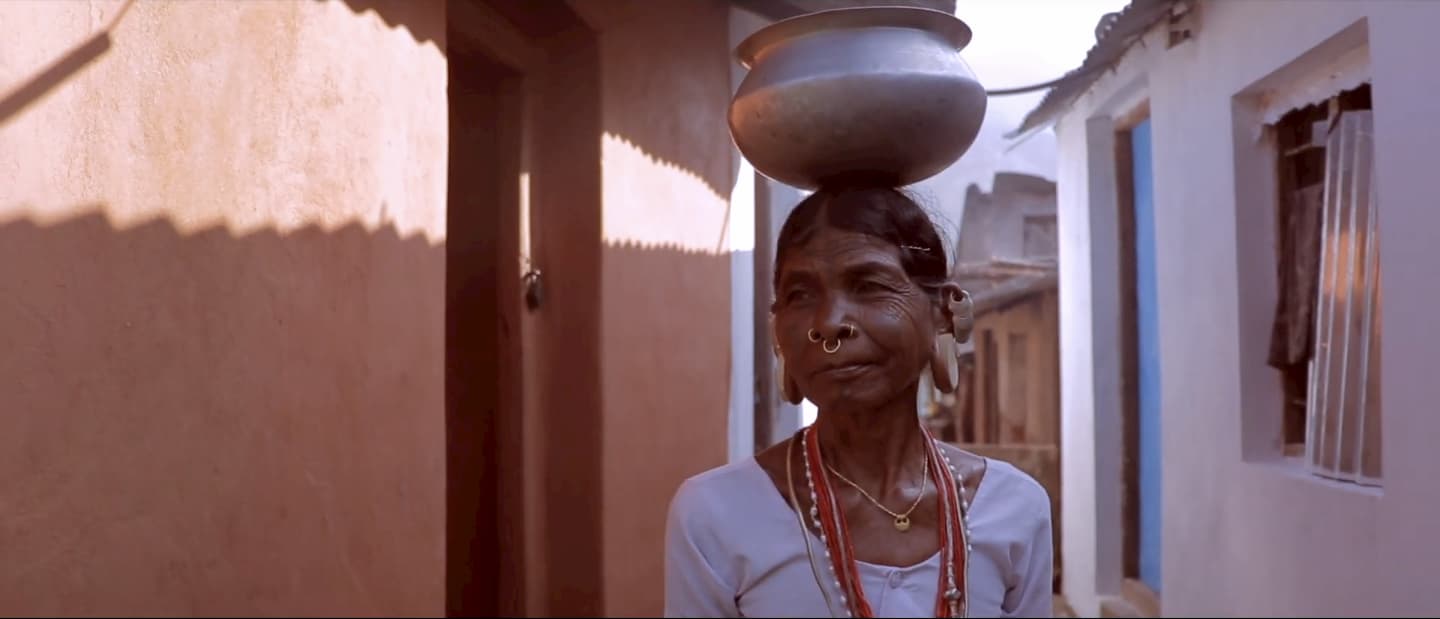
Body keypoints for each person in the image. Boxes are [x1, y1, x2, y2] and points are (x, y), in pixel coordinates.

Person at [663, 182, 1054, 618]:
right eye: (800, 295)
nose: (829, 323)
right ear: (777, 332)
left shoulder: (1016, 508)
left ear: (943, 313)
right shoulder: (715, 514)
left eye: (868, 285)